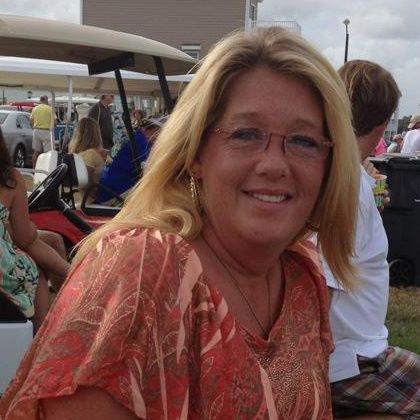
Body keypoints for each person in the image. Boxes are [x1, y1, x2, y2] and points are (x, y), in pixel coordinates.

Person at [0, 27, 361, 419]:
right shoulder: (141, 271)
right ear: (197, 154)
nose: (274, 164)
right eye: (246, 134)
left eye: (304, 141)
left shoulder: (303, 275)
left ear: (330, 165)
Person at [322, 59, 420, 418]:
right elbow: (321, 284)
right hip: (352, 361)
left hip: (352, 353)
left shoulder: (343, 176)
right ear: (383, 124)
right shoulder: (347, 188)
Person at [0, 128, 69, 333]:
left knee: (52, 240)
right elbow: (25, 239)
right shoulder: (10, 179)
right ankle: (41, 340)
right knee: (33, 269)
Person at [95, 126, 151, 205]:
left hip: (104, 192)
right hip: (114, 196)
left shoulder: (131, 137)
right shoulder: (143, 144)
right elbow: (150, 174)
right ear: (156, 131)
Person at [68, 117, 106, 202]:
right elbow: (87, 183)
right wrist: (98, 199)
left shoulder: (77, 155)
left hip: (81, 199)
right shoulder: (90, 154)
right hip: (92, 201)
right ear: (96, 134)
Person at [30, 95, 57, 167]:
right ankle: (46, 167)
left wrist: (33, 127)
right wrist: (53, 127)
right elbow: (55, 122)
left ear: (40, 100)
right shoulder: (50, 109)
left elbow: (31, 121)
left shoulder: (35, 108)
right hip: (46, 131)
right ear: (46, 100)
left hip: (36, 130)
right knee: (48, 152)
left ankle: (34, 168)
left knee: (36, 151)